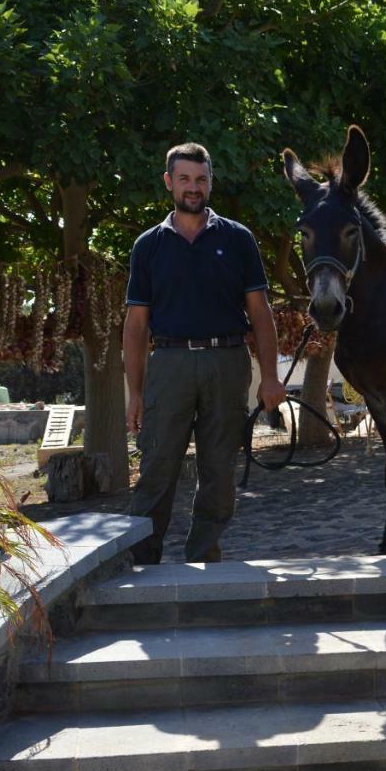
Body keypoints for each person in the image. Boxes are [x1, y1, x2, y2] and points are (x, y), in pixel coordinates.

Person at [123, 142, 285, 564]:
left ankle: (203, 559)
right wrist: (135, 393)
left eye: (200, 179)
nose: (192, 187)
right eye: (184, 179)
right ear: (169, 183)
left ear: (210, 181)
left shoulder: (238, 239)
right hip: (169, 365)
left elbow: (261, 313)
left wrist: (269, 377)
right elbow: (136, 325)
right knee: (157, 468)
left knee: (218, 472)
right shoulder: (148, 245)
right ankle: (143, 561)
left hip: (227, 362)